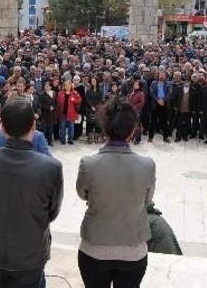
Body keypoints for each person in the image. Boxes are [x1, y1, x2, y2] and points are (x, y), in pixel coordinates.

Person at [0, 99, 63, 288]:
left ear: (2, 127)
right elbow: (52, 212)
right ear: (33, 125)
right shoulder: (51, 167)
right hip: (30, 253)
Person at [77, 97, 156, 288]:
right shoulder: (147, 165)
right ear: (132, 131)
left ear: (105, 128)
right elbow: (147, 200)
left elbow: (82, 194)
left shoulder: (89, 164)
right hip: (133, 250)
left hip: (95, 249)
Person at [57, 80, 82, 145]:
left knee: (71, 127)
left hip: (71, 113)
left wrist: (74, 100)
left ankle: (70, 139)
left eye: (68, 85)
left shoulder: (74, 93)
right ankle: (63, 139)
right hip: (62, 113)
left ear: (70, 86)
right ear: (64, 86)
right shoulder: (60, 93)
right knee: (62, 127)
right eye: (65, 85)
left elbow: (79, 100)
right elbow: (57, 103)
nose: (67, 86)